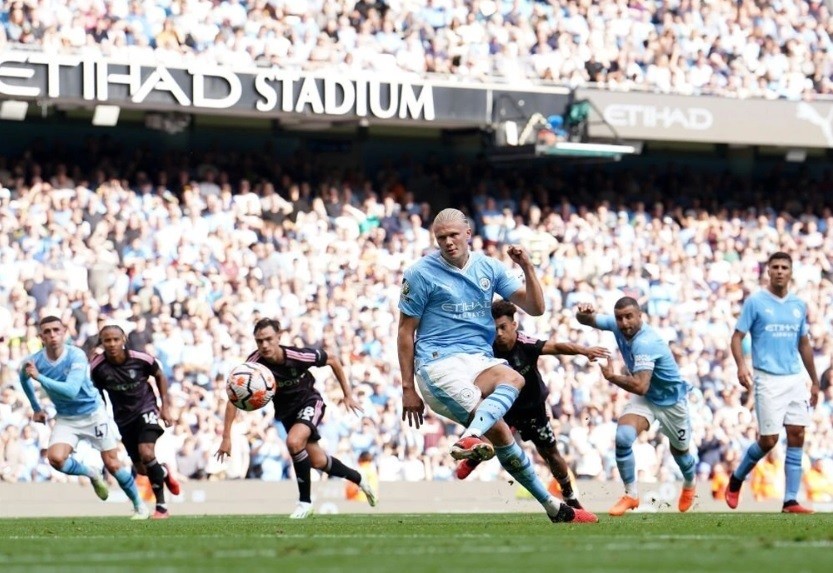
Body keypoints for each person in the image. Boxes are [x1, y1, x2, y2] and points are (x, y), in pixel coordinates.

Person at [398, 207, 597, 524]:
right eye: (441, 238)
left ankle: (554, 508)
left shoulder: (488, 267)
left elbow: (535, 307)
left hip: (478, 361)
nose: (448, 242)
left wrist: (528, 266)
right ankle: (474, 437)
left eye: (453, 235)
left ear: (468, 234)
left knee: (511, 387)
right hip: (437, 365)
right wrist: (408, 388)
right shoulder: (419, 273)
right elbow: (406, 332)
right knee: (501, 429)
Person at [215, 318, 377, 519]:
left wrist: (348, 395)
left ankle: (305, 503)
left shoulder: (296, 356)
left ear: (279, 337)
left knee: (293, 442)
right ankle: (359, 478)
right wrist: (226, 437)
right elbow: (233, 399)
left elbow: (333, 360)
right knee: (318, 461)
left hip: (310, 402)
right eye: (259, 341)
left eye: (268, 339)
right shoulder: (253, 366)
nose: (264, 345)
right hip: (287, 413)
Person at [455, 299, 609, 510]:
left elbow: (556, 346)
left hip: (533, 409)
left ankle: (569, 495)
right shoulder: (486, 349)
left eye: (503, 327)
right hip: (505, 407)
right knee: (488, 437)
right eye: (495, 328)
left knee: (550, 454)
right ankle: (474, 457)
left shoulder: (525, 344)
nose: (499, 333)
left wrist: (584, 351)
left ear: (514, 325)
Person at [19, 316, 149, 519]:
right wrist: (36, 408)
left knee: (113, 464)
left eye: (56, 330)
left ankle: (139, 505)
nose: (53, 335)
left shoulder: (76, 355)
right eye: (47, 331)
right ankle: (91, 473)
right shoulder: (35, 361)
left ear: (64, 332)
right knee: (55, 459)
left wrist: (39, 377)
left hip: (93, 414)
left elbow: (71, 390)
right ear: (41, 337)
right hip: (67, 418)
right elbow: (23, 378)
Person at [576, 297, 697, 516]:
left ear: (640, 316)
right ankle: (631, 494)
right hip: (648, 398)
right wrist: (583, 312)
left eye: (629, 317)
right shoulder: (616, 325)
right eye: (619, 318)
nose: (624, 323)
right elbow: (586, 320)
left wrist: (612, 377)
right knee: (623, 437)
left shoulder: (645, 342)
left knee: (680, 453)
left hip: (671, 402)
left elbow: (640, 386)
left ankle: (690, 482)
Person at [726, 251, 820, 513]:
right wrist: (741, 366)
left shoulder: (798, 305)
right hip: (767, 378)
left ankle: (790, 500)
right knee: (768, 440)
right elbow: (736, 337)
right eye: (775, 267)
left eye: (784, 267)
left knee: (798, 434)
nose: (779, 271)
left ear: (791, 272)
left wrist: (814, 380)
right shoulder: (755, 302)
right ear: (768, 271)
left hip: (794, 378)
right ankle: (736, 479)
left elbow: (804, 343)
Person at [90, 323, 181, 519]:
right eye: (107, 340)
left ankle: (162, 507)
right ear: (102, 342)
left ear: (124, 340)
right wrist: (101, 417)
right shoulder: (98, 367)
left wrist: (165, 407)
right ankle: (163, 473)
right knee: (142, 468)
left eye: (116, 339)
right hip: (123, 418)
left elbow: (159, 374)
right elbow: (96, 395)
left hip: (146, 409)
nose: (112, 344)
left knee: (147, 453)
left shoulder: (140, 359)